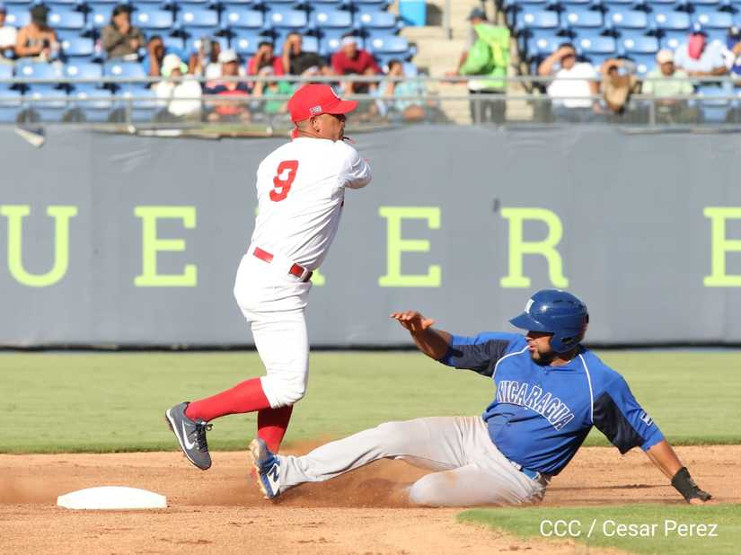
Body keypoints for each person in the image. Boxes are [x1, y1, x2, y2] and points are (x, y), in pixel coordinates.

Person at [246, 289, 713, 507]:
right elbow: (449, 349)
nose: (527, 336)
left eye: (538, 331)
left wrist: (686, 487)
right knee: (390, 433)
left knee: (428, 492)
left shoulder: (599, 382)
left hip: (517, 479)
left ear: (566, 336)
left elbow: (647, 435)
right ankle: (284, 473)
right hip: (474, 435)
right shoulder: (512, 351)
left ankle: (378, 496)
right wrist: (419, 332)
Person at [165, 84, 372, 470]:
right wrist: (342, 146)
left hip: (267, 272)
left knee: (284, 378)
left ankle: (268, 461)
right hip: (277, 279)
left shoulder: (273, 159)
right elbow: (364, 177)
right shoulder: (340, 154)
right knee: (289, 383)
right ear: (314, 121)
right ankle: (193, 413)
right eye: (336, 115)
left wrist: (335, 143)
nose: (344, 120)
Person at [447, 8, 510, 124]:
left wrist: (459, 70)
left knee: (478, 121)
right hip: (499, 82)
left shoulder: (476, 30)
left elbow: (466, 52)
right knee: (499, 123)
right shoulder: (501, 31)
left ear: (476, 19)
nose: (471, 23)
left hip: (479, 82)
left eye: (471, 20)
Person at [538, 43, 599, 122]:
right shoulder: (553, 71)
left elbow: (593, 87)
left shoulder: (585, 67)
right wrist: (560, 53)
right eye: (564, 56)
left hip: (585, 109)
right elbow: (542, 71)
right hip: (562, 111)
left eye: (570, 56)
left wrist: (596, 104)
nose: (567, 59)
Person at [642, 49, 696, 123]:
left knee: (694, 111)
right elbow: (647, 93)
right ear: (659, 64)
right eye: (665, 64)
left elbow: (689, 93)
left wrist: (676, 100)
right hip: (656, 110)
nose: (668, 66)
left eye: (670, 63)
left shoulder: (681, 75)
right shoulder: (651, 75)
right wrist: (661, 101)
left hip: (678, 109)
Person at [203, 48, 251, 122]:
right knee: (213, 117)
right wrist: (224, 102)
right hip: (220, 113)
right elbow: (206, 99)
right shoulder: (213, 83)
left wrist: (236, 103)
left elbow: (251, 99)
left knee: (246, 116)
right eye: (228, 63)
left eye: (233, 63)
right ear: (222, 65)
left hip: (239, 112)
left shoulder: (245, 82)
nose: (231, 66)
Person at [153, 53, 202, 119]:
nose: (176, 72)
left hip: (190, 118)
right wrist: (170, 86)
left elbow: (197, 103)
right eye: (173, 70)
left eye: (177, 69)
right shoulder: (162, 86)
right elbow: (161, 106)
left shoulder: (190, 81)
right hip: (171, 120)